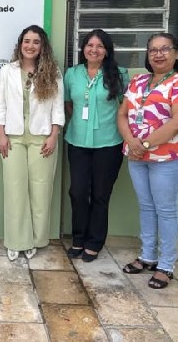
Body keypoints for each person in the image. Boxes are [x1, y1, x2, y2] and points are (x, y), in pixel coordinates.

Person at [118, 33, 178, 289]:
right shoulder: (138, 81)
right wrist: (131, 142)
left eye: (165, 49)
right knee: (146, 206)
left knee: (166, 209)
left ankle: (166, 265)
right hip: (136, 155)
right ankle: (148, 256)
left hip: (167, 158)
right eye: (153, 49)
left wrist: (144, 145)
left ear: (176, 53)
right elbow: (122, 114)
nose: (158, 54)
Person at [0, 25, 65, 261]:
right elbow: (0, 105)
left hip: (42, 138)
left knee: (41, 189)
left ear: (42, 46)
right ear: (20, 44)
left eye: (36, 42)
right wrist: (1, 134)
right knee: (14, 189)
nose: (30, 46)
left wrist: (54, 135)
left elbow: (58, 107)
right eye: (27, 41)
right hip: (13, 137)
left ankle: (35, 239)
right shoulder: (8, 71)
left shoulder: (52, 72)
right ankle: (17, 241)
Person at [64, 29, 129, 262]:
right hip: (77, 142)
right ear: (83, 48)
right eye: (90, 45)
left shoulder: (120, 74)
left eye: (100, 46)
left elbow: (125, 108)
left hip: (109, 143)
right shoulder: (72, 74)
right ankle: (79, 238)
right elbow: (68, 104)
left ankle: (94, 243)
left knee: (101, 194)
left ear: (107, 50)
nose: (94, 49)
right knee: (78, 192)